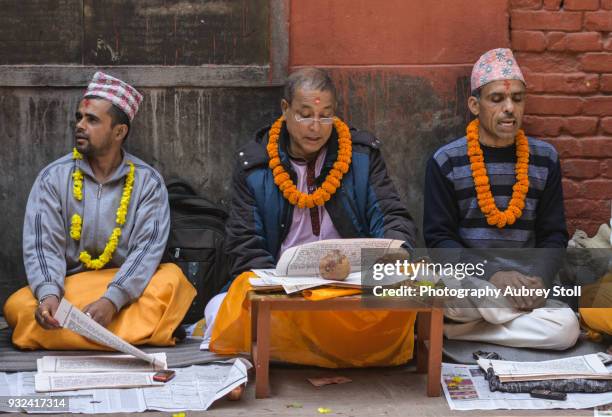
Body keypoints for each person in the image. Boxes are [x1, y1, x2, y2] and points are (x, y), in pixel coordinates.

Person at [205, 67, 418, 367]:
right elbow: (243, 241)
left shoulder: (361, 156)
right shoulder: (255, 164)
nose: (315, 127)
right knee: (219, 309)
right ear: (285, 110)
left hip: (350, 286)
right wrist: (278, 290)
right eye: (305, 115)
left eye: (325, 116)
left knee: (408, 293)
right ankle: (337, 350)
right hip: (282, 286)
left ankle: (293, 350)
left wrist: (392, 255)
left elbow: (392, 215)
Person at [4, 72, 196, 350]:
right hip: (69, 289)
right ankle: (126, 335)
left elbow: (146, 251)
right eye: (79, 117)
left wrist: (112, 301)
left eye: (92, 120)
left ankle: (74, 336)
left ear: (119, 132)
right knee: (19, 306)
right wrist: (48, 295)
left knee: (171, 281)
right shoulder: (53, 178)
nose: (80, 126)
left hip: (125, 291)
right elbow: (42, 246)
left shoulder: (147, 182)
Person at [423, 48, 580, 350]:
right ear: (474, 104)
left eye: (517, 99)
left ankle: (457, 333)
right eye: (497, 99)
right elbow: (440, 242)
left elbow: (554, 234)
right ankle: (505, 324)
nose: (509, 108)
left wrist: (539, 281)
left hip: (525, 285)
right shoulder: (446, 161)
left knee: (568, 328)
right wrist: (494, 275)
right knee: (452, 295)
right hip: (472, 282)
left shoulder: (545, 158)